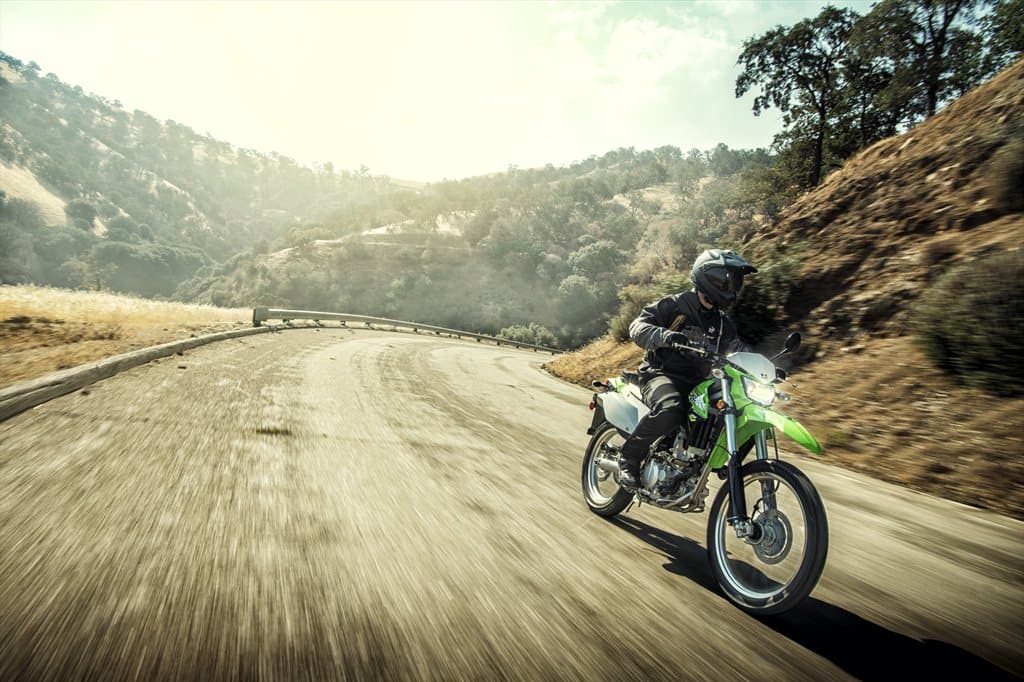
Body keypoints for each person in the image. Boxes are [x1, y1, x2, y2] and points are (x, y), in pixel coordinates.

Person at [618, 249, 758, 489]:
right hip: (661, 374)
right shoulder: (675, 305)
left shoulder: (722, 323)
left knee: (744, 410)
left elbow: (738, 350)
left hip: (699, 383)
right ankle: (628, 458)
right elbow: (638, 326)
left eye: (736, 281)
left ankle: (717, 464)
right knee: (671, 407)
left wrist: (765, 367)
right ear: (708, 277)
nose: (732, 286)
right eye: (728, 280)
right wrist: (665, 336)